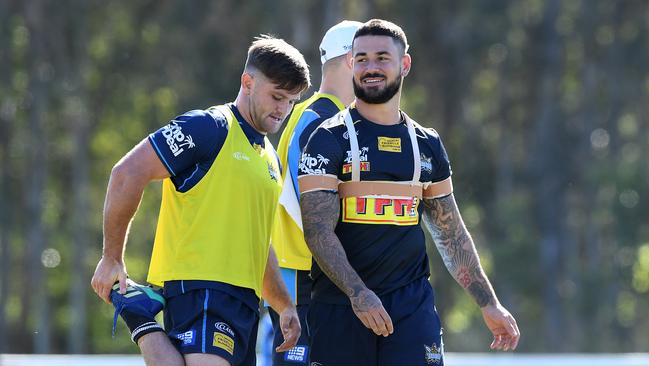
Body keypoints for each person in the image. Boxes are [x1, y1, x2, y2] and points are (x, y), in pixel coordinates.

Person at [297, 19, 520, 365]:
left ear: (405, 64)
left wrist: (488, 303)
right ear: (351, 63)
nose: (371, 68)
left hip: (411, 310)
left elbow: (451, 233)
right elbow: (317, 231)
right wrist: (360, 295)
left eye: (382, 58)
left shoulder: (427, 144)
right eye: (362, 59)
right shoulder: (327, 138)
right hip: (341, 308)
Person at [90, 35, 311, 366]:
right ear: (248, 82)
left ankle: (140, 316)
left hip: (246, 303)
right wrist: (112, 258)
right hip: (200, 287)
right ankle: (140, 319)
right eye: (277, 96)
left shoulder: (269, 158)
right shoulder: (209, 127)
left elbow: (258, 243)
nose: (282, 109)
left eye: (291, 101)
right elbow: (127, 172)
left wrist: (283, 305)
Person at [268, 20, 362, 365]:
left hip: (319, 277)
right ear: (352, 60)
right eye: (368, 59)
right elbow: (304, 206)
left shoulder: (335, 116)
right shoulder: (318, 118)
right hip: (304, 279)